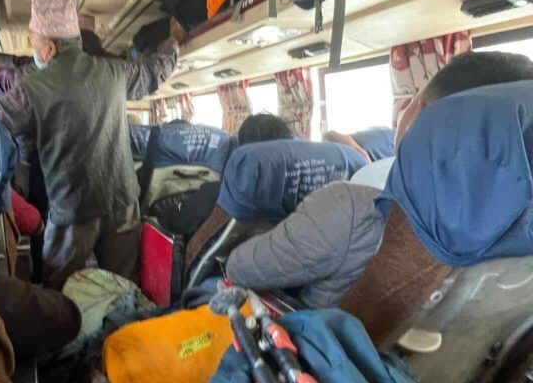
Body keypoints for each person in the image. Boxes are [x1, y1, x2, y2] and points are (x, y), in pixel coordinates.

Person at [225, 51, 533, 307]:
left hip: (324, 363)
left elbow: (239, 268)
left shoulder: (352, 207)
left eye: (410, 99)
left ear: (421, 114)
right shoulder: (522, 234)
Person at [0, 0, 182, 289]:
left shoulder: (28, 88)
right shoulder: (115, 71)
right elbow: (155, 71)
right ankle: (121, 332)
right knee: (123, 286)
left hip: (73, 210)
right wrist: (173, 40)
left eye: (33, 42)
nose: (34, 50)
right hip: (123, 202)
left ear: (49, 47)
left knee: (60, 290)